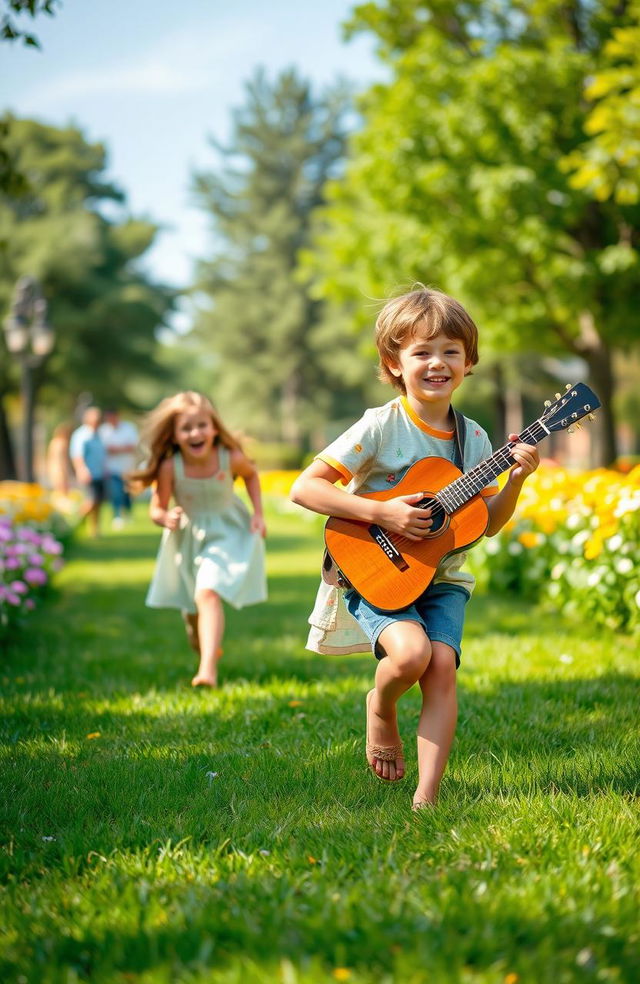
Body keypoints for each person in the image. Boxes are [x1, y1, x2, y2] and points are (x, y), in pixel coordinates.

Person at [290, 286, 539, 810]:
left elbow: (486, 524)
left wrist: (514, 480)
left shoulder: (473, 438)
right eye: (421, 352)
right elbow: (305, 487)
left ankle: (426, 797)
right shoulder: (381, 425)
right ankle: (380, 706)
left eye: (451, 351)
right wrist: (385, 511)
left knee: (441, 665)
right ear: (394, 363)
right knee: (410, 656)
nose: (437, 363)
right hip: (379, 564)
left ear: (468, 362)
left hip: (442, 577)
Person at [129, 391, 267, 688]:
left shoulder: (230, 458)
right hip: (188, 539)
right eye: (186, 428)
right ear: (175, 435)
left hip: (227, 531)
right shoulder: (170, 467)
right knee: (193, 612)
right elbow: (157, 506)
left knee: (208, 593)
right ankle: (204, 645)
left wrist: (258, 514)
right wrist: (163, 518)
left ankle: (207, 672)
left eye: (202, 425)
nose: (195, 433)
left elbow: (252, 476)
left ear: (215, 428)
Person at [70, 407, 108, 538]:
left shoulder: (99, 434)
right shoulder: (81, 435)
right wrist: (82, 470)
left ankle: (94, 530)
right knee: (90, 502)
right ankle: (74, 523)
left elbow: (101, 455)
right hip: (88, 474)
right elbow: (77, 456)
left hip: (99, 473)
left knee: (98, 503)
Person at [99, 408, 139, 528]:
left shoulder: (129, 428)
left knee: (127, 492)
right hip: (112, 468)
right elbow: (104, 449)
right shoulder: (104, 430)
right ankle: (117, 515)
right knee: (116, 492)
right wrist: (122, 448)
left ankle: (127, 513)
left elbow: (133, 447)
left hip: (128, 468)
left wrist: (116, 449)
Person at [46, 422, 73, 495]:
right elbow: (64, 458)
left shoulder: (53, 442)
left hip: (53, 467)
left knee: (57, 489)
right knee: (64, 488)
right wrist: (66, 469)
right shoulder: (63, 443)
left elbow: (49, 457)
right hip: (61, 467)